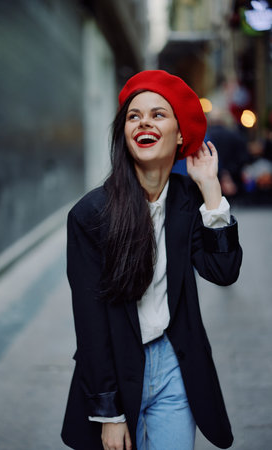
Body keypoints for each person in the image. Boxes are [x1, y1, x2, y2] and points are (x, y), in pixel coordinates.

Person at [61, 70, 242, 450]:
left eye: (158, 114)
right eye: (133, 115)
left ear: (180, 136)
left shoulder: (186, 200)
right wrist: (109, 413)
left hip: (176, 364)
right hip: (118, 368)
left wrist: (210, 189)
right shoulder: (90, 216)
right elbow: (90, 325)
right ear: (125, 134)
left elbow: (223, 271)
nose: (144, 121)